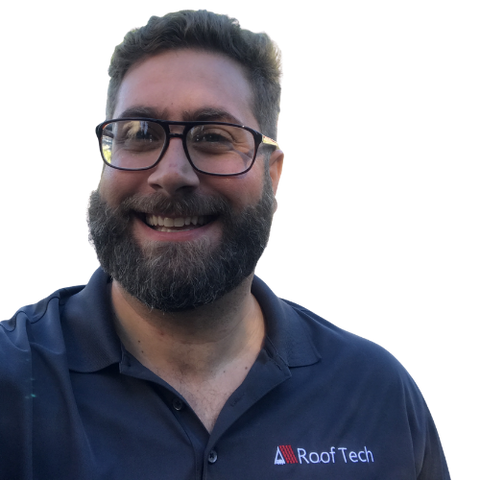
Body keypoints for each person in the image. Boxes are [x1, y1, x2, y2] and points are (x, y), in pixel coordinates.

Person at [0, 7, 452, 480]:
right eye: (140, 133)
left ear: (273, 174)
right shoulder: (12, 382)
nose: (171, 173)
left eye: (213, 137)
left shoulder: (377, 392)